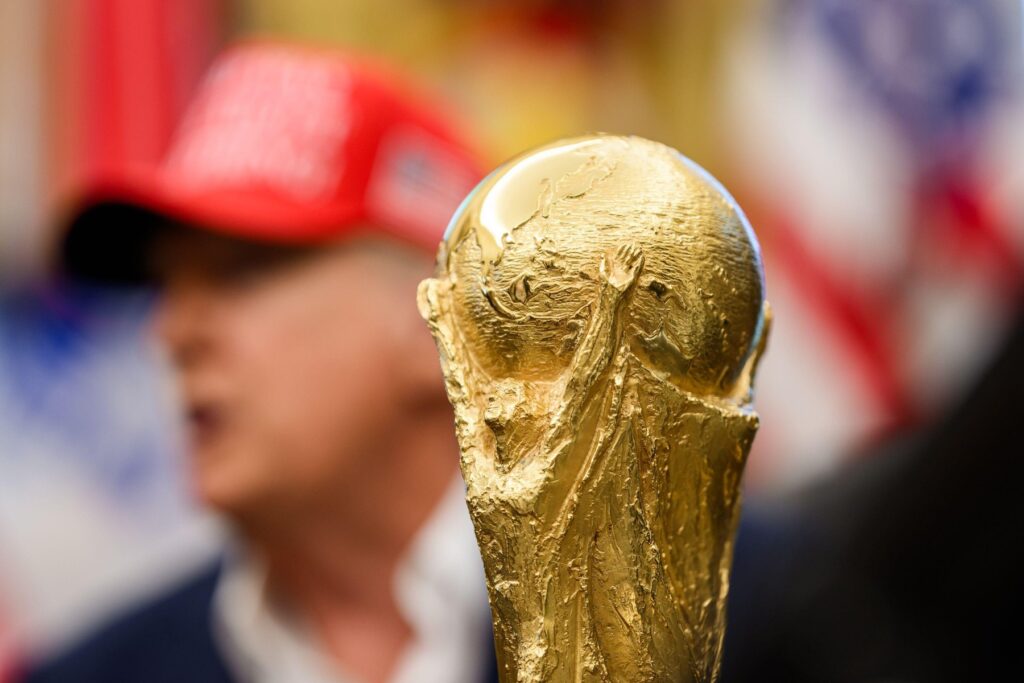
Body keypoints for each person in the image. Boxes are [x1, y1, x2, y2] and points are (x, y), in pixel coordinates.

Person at [26, 42, 497, 683]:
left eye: (241, 271)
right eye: (165, 284)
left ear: (437, 321)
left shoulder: (658, 641)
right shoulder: (85, 673)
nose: (172, 332)